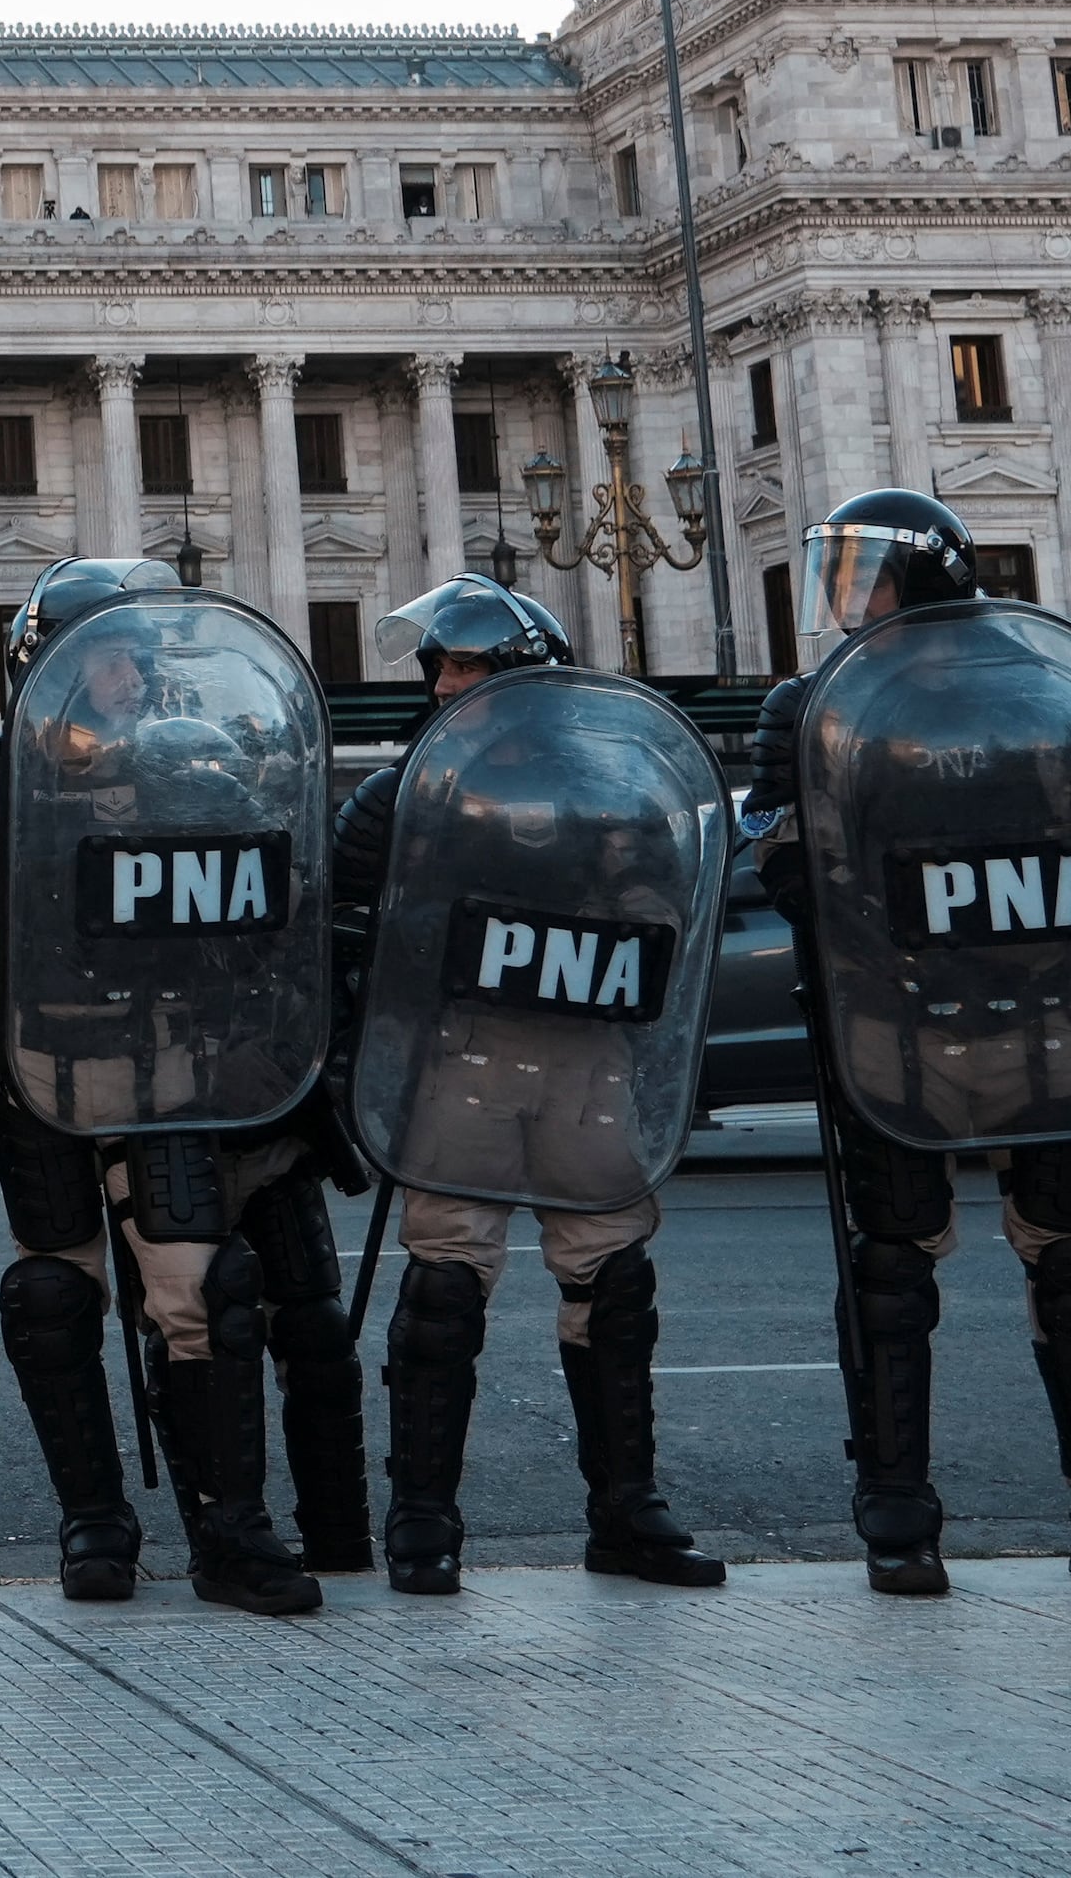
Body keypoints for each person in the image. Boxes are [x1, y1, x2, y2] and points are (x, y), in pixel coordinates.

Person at [746, 488, 1071, 1598]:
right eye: (840, 575)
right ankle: (897, 1509)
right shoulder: (808, 705)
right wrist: (864, 915)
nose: (847, 599)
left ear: (925, 579)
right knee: (889, 1264)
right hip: (892, 1018)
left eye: (867, 575)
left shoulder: (1036, 690)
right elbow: (775, 847)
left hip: (1036, 1011)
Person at [0, 556, 342, 1615]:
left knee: (204, 1292)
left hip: (169, 1078)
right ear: (41, 671)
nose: (123, 674)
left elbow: (269, 930)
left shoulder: (189, 780)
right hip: (40, 1078)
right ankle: (93, 1523)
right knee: (53, 1299)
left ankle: (229, 1532)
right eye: (98, 656)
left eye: (132, 657)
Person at [326, 577, 722, 1597]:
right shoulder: (401, 796)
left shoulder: (610, 792)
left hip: (582, 1057)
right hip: (459, 1057)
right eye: (440, 666)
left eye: (466, 666)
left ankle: (625, 1511)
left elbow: (663, 916)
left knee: (613, 1279)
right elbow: (338, 930)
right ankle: (422, 1518)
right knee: (445, 1284)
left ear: (518, 676)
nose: (444, 685)